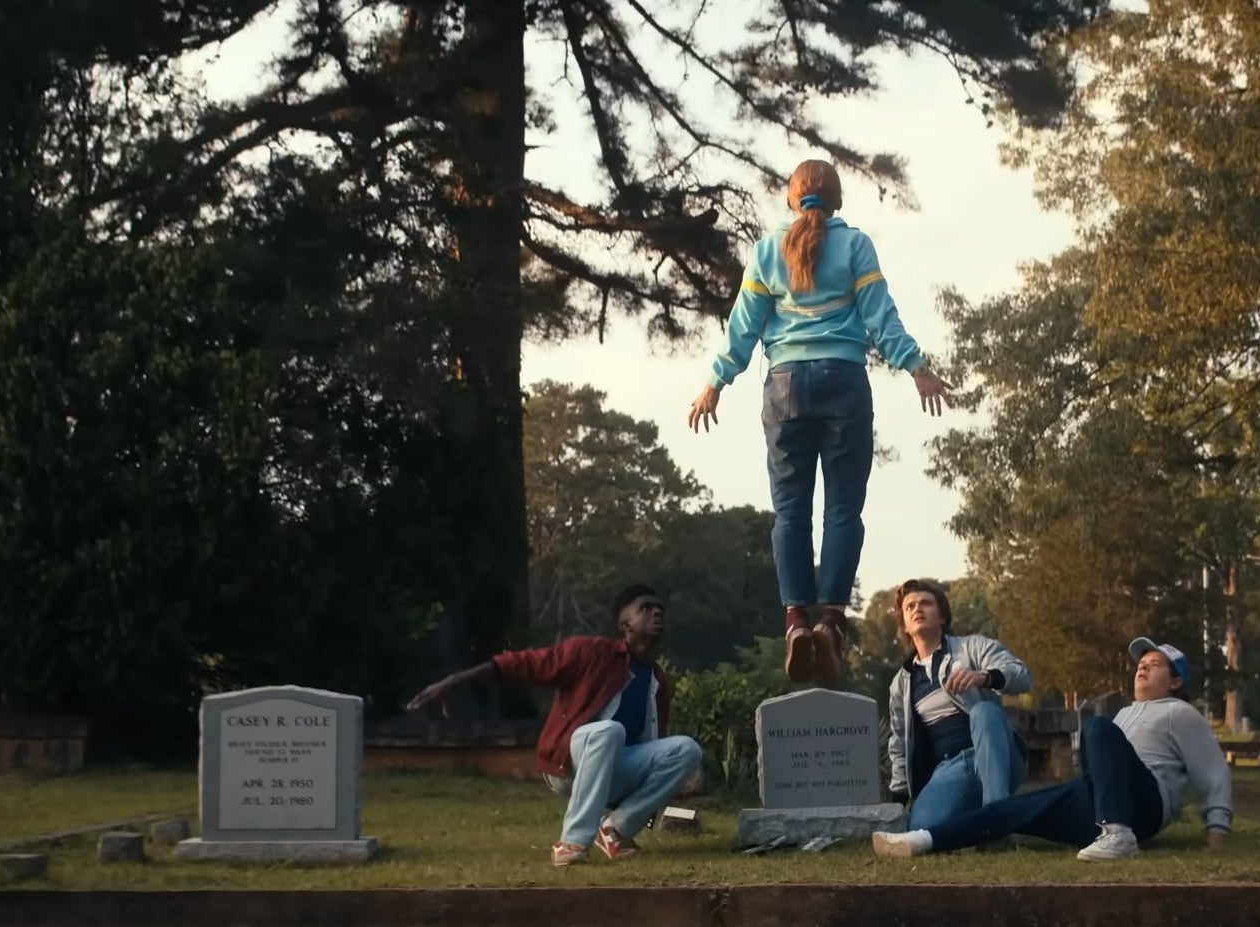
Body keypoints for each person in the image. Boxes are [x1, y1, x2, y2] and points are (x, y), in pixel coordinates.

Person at [685, 159, 952, 687]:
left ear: (791, 200)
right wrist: (916, 367)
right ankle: (831, 621)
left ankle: (794, 622)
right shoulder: (855, 247)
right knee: (843, 510)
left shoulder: (767, 252)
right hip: (844, 383)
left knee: (789, 510)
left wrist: (715, 381)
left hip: (784, 388)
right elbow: (880, 316)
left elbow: (743, 328)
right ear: (837, 200)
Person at [405, 584, 702, 867]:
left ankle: (615, 830)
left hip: (614, 769)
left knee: (687, 749)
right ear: (625, 624)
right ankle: (572, 843)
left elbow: (652, 741)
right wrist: (453, 682)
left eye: (660, 608)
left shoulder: (657, 680)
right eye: (646, 608)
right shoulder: (591, 652)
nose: (657, 613)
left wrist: (657, 791)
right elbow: (523, 663)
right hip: (570, 764)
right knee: (609, 730)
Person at [872, 638, 1233, 861]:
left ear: (1175, 681)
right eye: (1140, 664)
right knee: (1007, 811)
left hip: (1145, 804)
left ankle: (1119, 834)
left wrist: (1217, 835)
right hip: (1097, 802)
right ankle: (921, 841)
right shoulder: (1125, 712)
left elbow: (1214, 774)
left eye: (1153, 666)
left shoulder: (1181, 712)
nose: (1142, 668)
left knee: (1095, 725)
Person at [885, 579, 1033, 832]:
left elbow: (1022, 676)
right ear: (906, 627)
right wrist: (897, 800)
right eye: (910, 607)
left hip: (995, 753)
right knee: (922, 826)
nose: (917, 609)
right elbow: (899, 744)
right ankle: (976, 818)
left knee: (984, 711)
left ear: (942, 616)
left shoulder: (972, 647)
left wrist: (985, 676)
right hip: (949, 768)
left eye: (926, 603)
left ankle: (998, 821)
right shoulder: (902, 683)